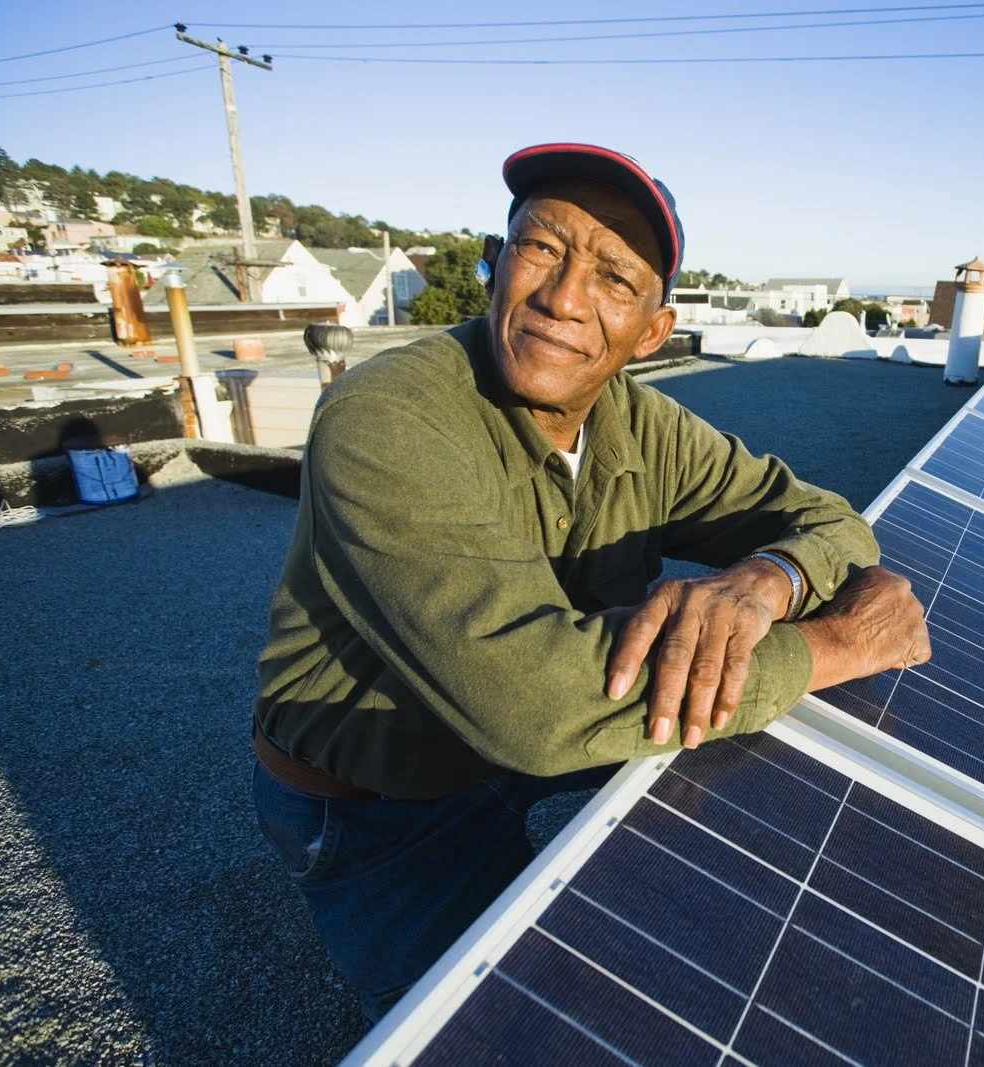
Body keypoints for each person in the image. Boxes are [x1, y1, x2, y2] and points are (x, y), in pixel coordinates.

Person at [249, 143, 931, 1021]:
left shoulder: (640, 424)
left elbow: (830, 520)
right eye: (542, 248)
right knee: (482, 1026)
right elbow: (534, 707)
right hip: (380, 806)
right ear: (493, 268)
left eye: (613, 276)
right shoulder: (388, 419)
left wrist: (771, 578)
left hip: (510, 751)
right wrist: (832, 643)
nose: (564, 298)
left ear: (653, 330)